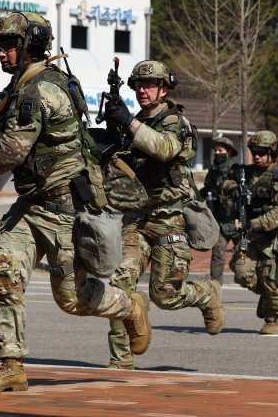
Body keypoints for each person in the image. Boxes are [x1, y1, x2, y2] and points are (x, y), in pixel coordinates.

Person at [0, 11, 151, 393]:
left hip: (66, 209)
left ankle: (130, 306)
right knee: (2, 275)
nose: (1, 54)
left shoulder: (40, 91)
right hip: (30, 207)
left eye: (9, 47)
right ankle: (12, 366)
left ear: (30, 47)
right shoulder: (18, 88)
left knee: (73, 300)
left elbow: (10, 152)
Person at [101, 60, 226, 370]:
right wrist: (112, 126)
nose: (143, 90)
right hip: (135, 216)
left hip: (170, 216)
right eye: (138, 86)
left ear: (163, 89)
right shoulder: (131, 122)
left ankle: (207, 294)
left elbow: (165, 149)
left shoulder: (175, 121)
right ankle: (121, 357)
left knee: (165, 295)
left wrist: (128, 122)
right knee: (119, 284)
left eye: (150, 85)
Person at [224, 130, 278, 335]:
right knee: (241, 273)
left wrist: (255, 223)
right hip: (249, 236)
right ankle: (266, 295)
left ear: (272, 153)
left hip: (272, 237)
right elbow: (226, 181)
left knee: (268, 278)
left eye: (262, 152)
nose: (257, 156)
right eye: (254, 151)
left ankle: (271, 319)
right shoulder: (244, 173)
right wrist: (233, 189)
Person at [200, 137, 239, 282]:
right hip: (219, 221)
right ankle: (215, 289)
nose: (217, 153)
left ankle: (241, 269)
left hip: (235, 222)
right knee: (217, 256)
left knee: (243, 255)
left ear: (229, 151)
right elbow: (207, 189)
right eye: (215, 150)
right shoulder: (213, 170)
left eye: (220, 150)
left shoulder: (236, 170)